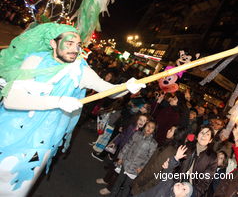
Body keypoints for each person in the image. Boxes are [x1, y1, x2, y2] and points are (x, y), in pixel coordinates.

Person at [0, 23, 145, 196]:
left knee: (15, 186)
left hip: (41, 141)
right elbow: (11, 100)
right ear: (53, 43)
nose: (75, 49)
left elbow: (106, 89)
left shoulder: (79, 69)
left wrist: (126, 87)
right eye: (69, 44)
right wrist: (58, 101)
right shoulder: (35, 60)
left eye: (78, 45)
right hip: (9, 129)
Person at [131, 125, 188, 195]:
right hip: (146, 182)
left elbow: (154, 169)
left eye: (171, 130)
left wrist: (139, 182)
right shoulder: (168, 145)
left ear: (176, 135)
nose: (168, 131)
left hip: (145, 185)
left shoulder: (170, 150)